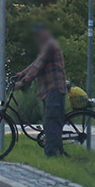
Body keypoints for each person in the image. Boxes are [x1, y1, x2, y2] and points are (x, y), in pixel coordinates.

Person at [15, 24, 67, 157]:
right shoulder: (46, 46)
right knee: (51, 121)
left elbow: (38, 66)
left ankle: (52, 154)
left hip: (54, 88)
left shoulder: (50, 45)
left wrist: (24, 81)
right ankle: (56, 151)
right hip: (48, 90)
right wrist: (21, 74)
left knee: (51, 121)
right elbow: (35, 63)